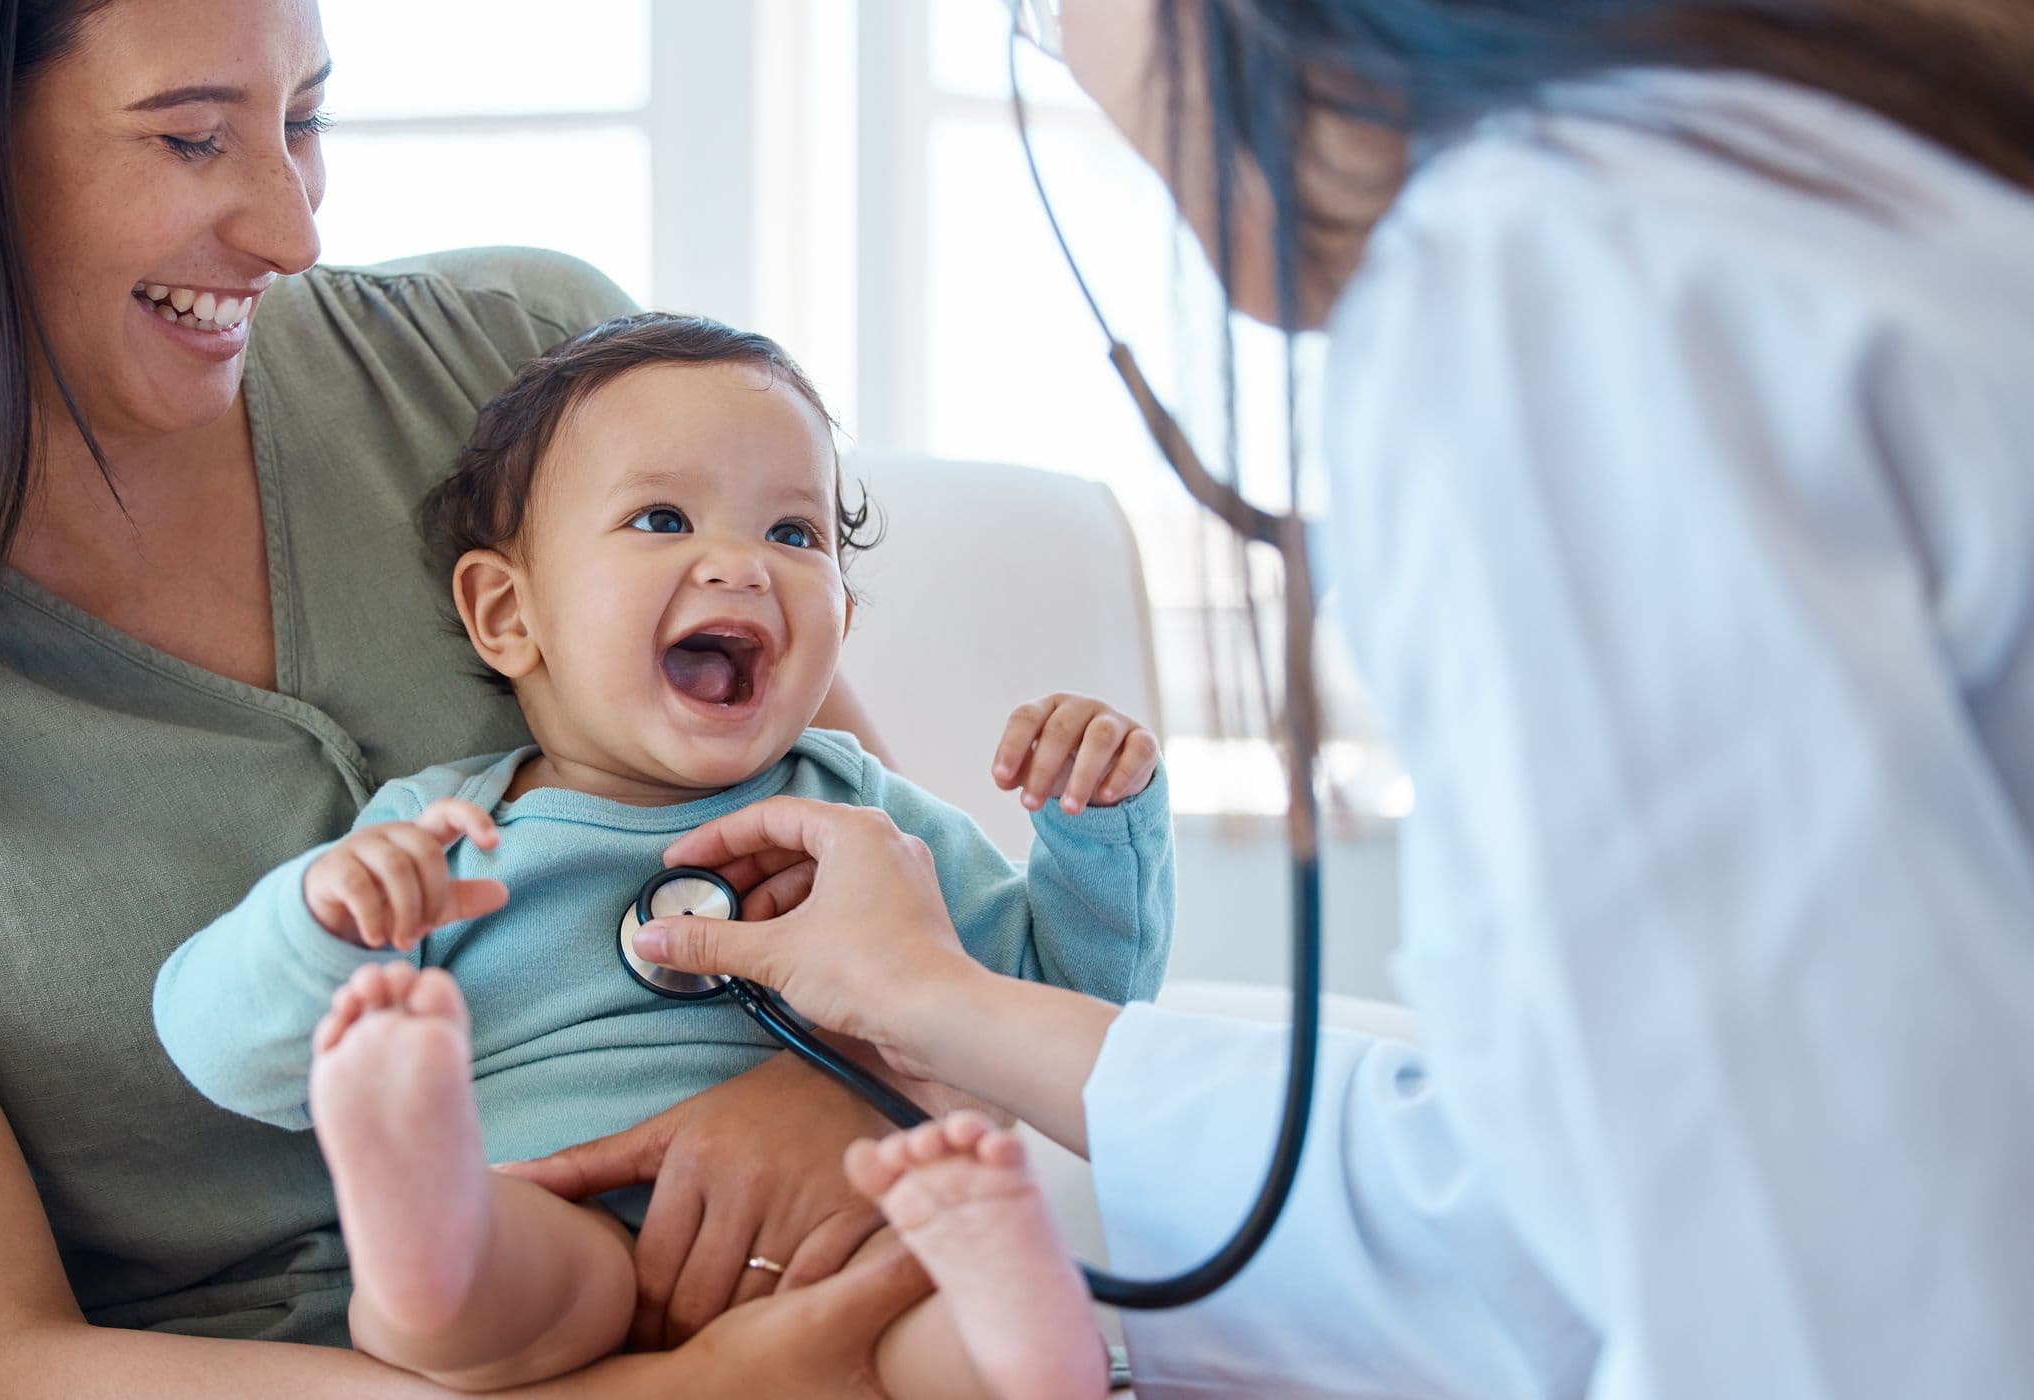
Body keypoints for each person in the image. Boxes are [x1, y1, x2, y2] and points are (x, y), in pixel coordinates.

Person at [613, 0, 2034, 1395]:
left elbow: (1804, 1292)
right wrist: (935, 1003)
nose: (1078, 67)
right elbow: (1561, 1212)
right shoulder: (1794, 194)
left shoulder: (1556, 281)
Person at [0, 2, 948, 1394]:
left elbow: (900, 888)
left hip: (858, 1312)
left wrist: (845, 1091)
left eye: (304, 121)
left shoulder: (532, 364)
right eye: (194, 137)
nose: (294, 232)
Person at [151, 313, 1170, 1395]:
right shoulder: (447, 836)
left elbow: (1055, 1004)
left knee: (936, 1332)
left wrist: (1094, 827)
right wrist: (319, 920)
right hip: (558, 1214)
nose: (738, 563)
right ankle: (421, 1202)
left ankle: (1016, 1311)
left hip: (850, 1229)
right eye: (661, 517)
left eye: (794, 533)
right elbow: (224, 1053)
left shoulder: (863, 815)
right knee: (467, 1302)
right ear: (508, 612)